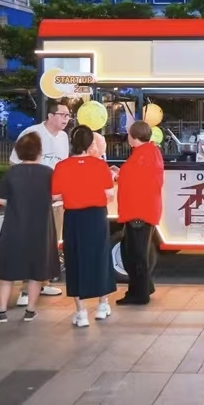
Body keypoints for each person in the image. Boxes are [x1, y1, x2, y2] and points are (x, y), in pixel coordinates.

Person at [0, 132, 60, 323]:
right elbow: (55, 197)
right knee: (37, 270)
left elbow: (1, 200)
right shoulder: (48, 172)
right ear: (39, 152)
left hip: (15, 226)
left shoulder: (12, 172)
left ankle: (1, 311)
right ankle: (30, 311)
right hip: (41, 228)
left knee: (8, 270)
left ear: (19, 151)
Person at [52, 125, 117, 327]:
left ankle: (81, 313)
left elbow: (56, 196)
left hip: (73, 218)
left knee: (75, 260)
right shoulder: (100, 166)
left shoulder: (61, 166)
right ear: (90, 144)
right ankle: (103, 305)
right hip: (96, 217)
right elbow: (110, 195)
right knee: (100, 257)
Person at [10, 99, 71, 305]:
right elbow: (15, 163)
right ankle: (25, 290)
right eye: (62, 114)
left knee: (50, 244)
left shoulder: (64, 137)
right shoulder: (32, 133)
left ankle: (43, 283)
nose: (66, 119)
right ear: (50, 116)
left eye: (68, 115)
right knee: (31, 244)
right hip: (33, 201)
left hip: (56, 201)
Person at [114, 121, 164, 305]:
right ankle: (145, 287)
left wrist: (117, 175)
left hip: (137, 211)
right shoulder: (152, 152)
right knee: (139, 253)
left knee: (135, 256)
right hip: (147, 210)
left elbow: (133, 182)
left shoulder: (140, 156)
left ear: (134, 137)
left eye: (129, 134)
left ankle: (139, 294)